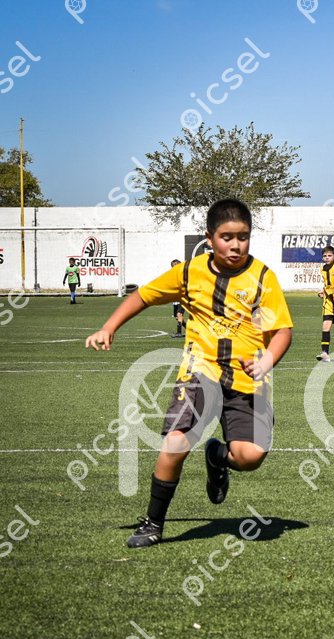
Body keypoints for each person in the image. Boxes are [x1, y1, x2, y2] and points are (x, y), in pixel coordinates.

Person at [85, 199, 293, 548]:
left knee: (251, 457)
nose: (236, 245)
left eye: (243, 237)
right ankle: (153, 523)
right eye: (227, 237)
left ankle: (217, 456)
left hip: (247, 379)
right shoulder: (187, 273)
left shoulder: (262, 278)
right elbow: (143, 296)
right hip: (200, 371)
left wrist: (267, 360)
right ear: (210, 238)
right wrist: (109, 327)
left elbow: (283, 331)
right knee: (176, 442)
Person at [168, 259, 186, 337]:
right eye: (173, 266)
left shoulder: (183, 274)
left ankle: (179, 333)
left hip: (182, 298)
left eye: (176, 265)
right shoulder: (172, 275)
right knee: (177, 316)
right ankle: (189, 329)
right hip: (176, 299)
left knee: (179, 314)